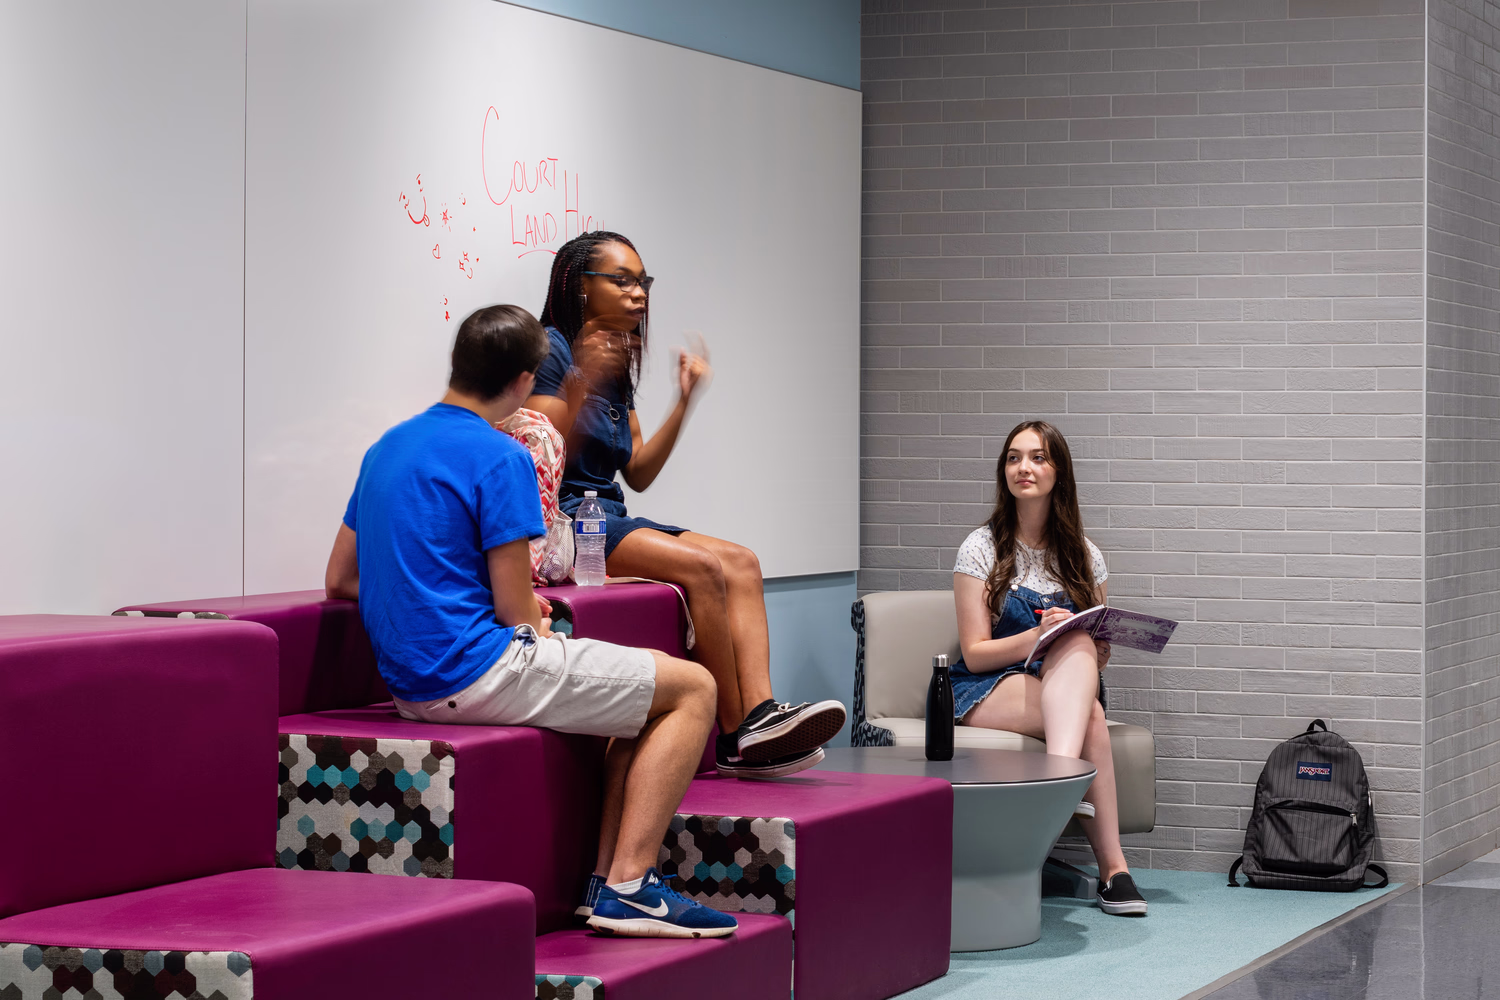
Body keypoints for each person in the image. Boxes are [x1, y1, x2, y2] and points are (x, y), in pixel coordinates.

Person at [325, 304, 736, 939]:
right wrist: (538, 621)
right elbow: (518, 614)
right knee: (693, 689)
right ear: (523, 382)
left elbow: (342, 579)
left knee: (638, 697)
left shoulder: (386, 448)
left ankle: (604, 886)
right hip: (478, 672)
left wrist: (429, 589)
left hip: (408, 688)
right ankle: (633, 883)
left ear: (458, 365)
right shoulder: (502, 456)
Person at [524, 231, 845, 779]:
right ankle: (735, 730)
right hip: (564, 521)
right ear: (581, 286)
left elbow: (640, 471)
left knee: (741, 560)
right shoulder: (551, 346)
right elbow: (538, 449)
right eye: (621, 280)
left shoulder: (615, 362)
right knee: (701, 567)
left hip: (611, 515)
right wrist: (584, 376)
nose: (638, 293)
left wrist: (684, 400)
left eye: (642, 282)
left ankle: (762, 715)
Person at [949, 420, 1148, 917]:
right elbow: (975, 653)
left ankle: (1055, 790)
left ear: (1059, 471)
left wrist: (1088, 641)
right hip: (988, 684)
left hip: (1063, 685)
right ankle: (1113, 868)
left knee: (1081, 645)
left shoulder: (1085, 555)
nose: (1024, 468)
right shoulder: (980, 547)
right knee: (1092, 719)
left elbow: (1099, 655)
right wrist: (1036, 636)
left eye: (1038, 457)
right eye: (1014, 458)